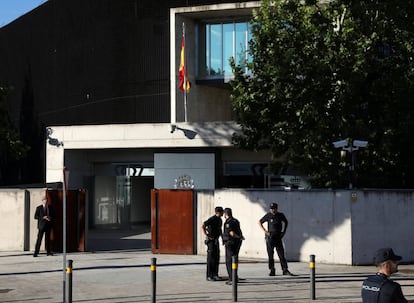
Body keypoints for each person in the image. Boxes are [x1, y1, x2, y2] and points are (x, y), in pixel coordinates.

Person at [258, 202, 293, 276]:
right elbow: (260, 222)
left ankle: (285, 270)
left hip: (278, 237)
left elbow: (286, 222)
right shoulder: (268, 215)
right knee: (270, 255)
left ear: (276, 209)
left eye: (274, 209)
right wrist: (265, 231)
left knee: (281, 254)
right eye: (271, 209)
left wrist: (283, 232)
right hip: (270, 237)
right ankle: (272, 270)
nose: (272, 210)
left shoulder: (280, 215)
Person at [222, 207, 244, 285]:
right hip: (237, 243)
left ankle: (232, 278)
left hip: (230, 243)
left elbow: (231, 233)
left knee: (229, 261)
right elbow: (239, 230)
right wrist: (240, 237)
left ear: (226, 214)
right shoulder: (236, 220)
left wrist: (237, 237)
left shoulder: (228, 222)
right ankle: (235, 276)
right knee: (235, 259)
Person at [202, 206, 224, 281]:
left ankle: (215, 274)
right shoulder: (212, 219)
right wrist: (207, 235)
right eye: (222, 212)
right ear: (218, 212)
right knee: (211, 258)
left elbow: (220, 229)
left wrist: (222, 238)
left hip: (216, 240)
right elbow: (203, 225)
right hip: (211, 241)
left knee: (216, 257)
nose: (223, 213)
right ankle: (209, 275)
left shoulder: (220, 220)